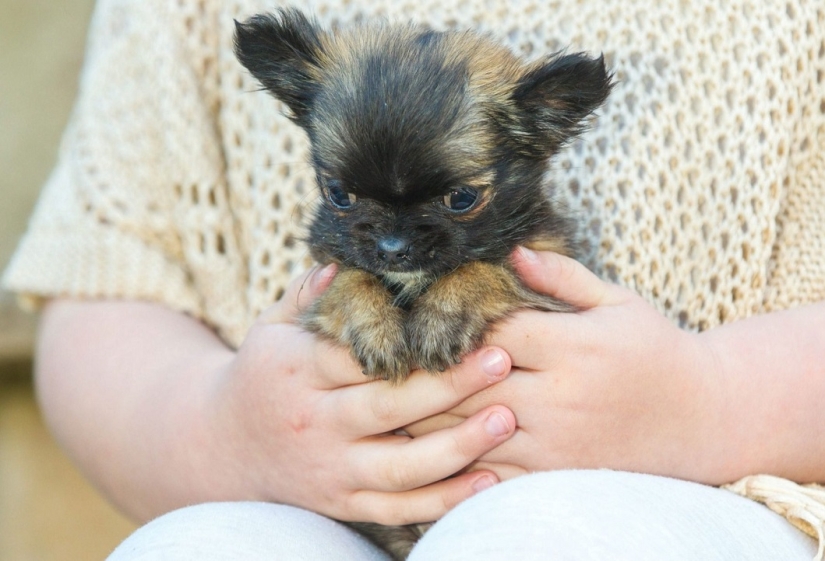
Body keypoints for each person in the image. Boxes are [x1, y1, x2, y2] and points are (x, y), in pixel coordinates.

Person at [4, 0, 825, 558]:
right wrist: (216, 430)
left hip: (719, 503)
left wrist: (707, 397)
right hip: (299, 508)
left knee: (550, 534)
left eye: (459, 199)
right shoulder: (175, 20)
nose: (392, 239)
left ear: (544, 126)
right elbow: (111, 278)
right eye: (344, 195)